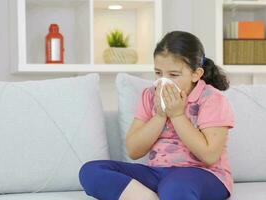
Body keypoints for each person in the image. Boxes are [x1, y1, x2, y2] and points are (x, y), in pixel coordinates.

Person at [79, 31, 235, 200]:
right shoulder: (150, 95)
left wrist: (177, 115)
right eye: (158, 73)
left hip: (203, 174)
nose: (163, 81)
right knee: (91, 171)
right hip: (157, 173)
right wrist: (159, 116)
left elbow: (210, 155)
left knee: (175, 187)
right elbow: (133, 150)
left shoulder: (211, 99)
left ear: (196, 74)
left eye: (173, 75)